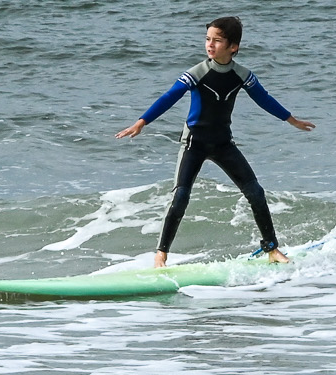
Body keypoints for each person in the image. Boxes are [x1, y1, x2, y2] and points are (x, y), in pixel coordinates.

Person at [116, 16, 315, 267]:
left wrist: (291, 120)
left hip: (223, 143)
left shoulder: (242, 75)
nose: (210, 45)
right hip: (194, 144)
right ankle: (161, 256)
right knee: (180, 198)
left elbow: (264, 99)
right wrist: (142, 122)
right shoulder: (197, 73)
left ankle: (272, 249)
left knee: (256, 192)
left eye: (217, 40)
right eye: (208, 39)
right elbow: (169, 97)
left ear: (234, 46)